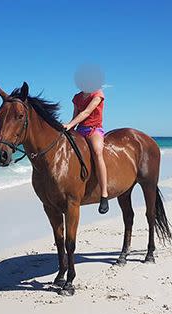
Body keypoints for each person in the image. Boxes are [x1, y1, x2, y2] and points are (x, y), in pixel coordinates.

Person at [63, 67, 108, 214]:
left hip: (94, 130)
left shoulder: (98, 93)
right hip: (80, 130)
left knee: (97, 152)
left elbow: (87, 112)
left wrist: (70, 124)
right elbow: (75, 115)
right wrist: (69, 127)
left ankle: (104, 194)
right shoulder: (77, 97)